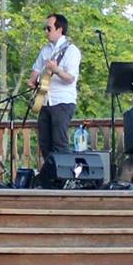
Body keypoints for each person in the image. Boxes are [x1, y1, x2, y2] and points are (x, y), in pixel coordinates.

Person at [29, 13, 82, 186]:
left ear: (59, 29)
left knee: (59, 141)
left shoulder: (71, 50)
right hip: (45, 100)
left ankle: (65, 179)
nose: (46, 31)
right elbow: (36, 70)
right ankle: (52, 178)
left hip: (63, 101)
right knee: (45, 142)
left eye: (49, 28)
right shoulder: (45, 50)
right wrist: (32, 80)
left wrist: (56, 69)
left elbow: (70, 78)